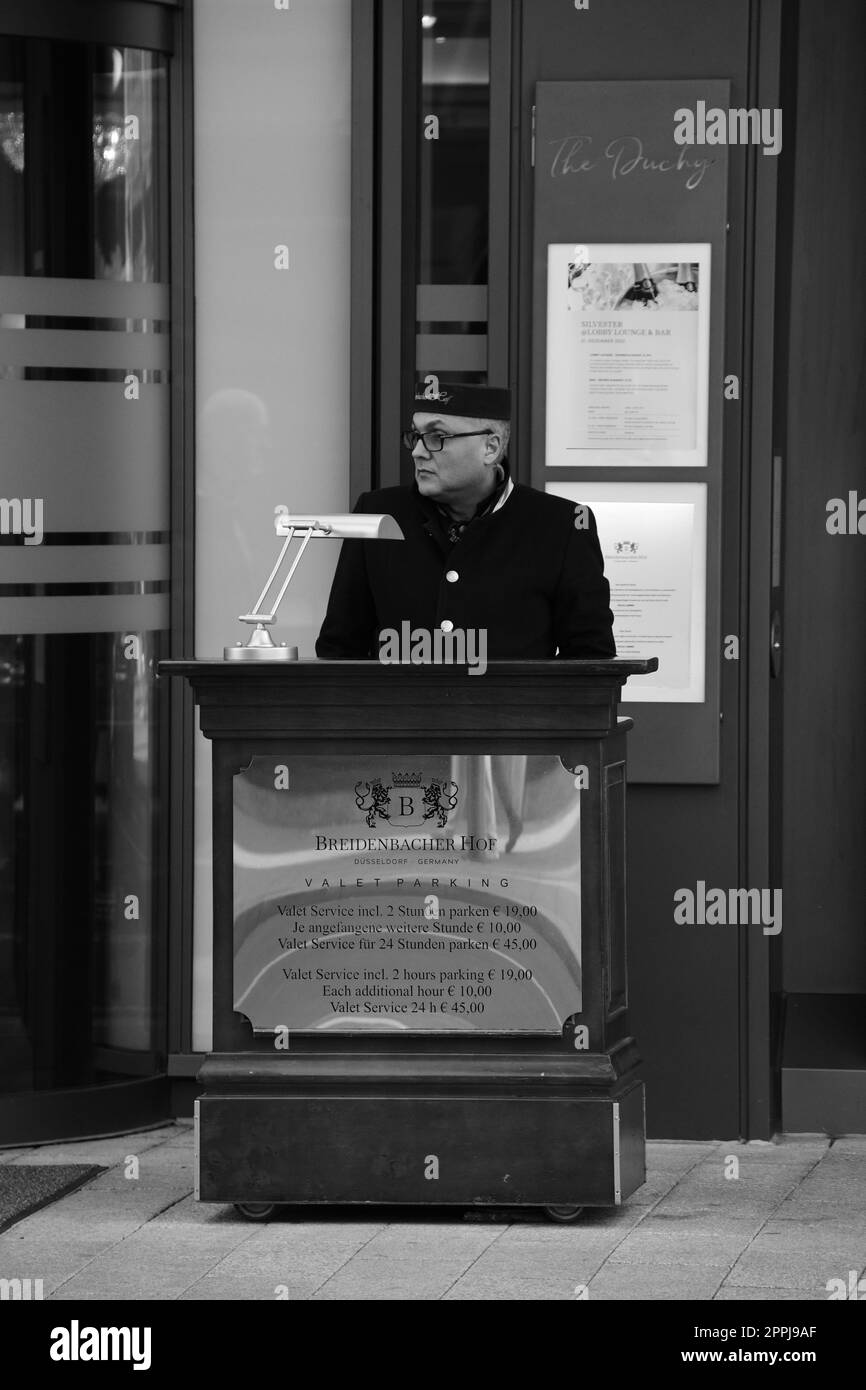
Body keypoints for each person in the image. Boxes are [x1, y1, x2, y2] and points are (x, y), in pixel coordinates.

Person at [315, 379, 615, 661]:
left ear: (491, 448)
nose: (418, 452)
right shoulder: (378, 511)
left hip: (515, 716)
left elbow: (591, 660)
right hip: (400, 716)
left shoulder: (562, 524)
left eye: (437, 437)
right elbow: (340, 647)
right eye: (416, 436)